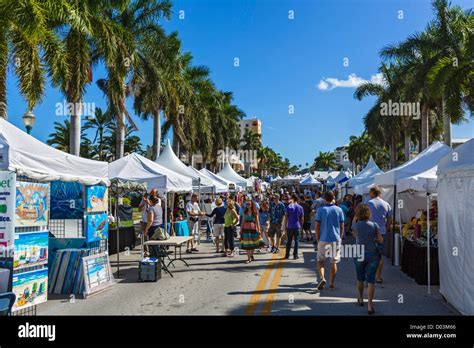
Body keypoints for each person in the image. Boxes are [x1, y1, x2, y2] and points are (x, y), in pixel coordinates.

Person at [352, 204, 383, 315]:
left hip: (359, 252)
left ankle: (360, 298)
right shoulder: (374, 225)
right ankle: (370, 305)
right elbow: (381, 240)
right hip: (372, 253)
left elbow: (355, 234)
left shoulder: (355, 226)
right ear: (368, 214)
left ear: (357, 214)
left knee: (360, 278)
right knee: (371, 280)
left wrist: (356, 216)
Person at [315, 191, 345, 291]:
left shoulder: (320, 210)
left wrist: (317, 238)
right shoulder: (339, 210)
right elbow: (342, 226)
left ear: (324, 199)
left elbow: (317, 226)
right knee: (333, 262)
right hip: (335, 239)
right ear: (333, 198)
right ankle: (331, 284)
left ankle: (322, 278)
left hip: (323, 238)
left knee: (320, 260)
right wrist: (340, 237)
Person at [367, 186, 392, 284]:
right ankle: (378, 276)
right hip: (382, 232)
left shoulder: (368, 203)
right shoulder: (386, 204)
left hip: (370, 232)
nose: (369, 194)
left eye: (370, 192)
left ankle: (370, 276)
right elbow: (389, 218)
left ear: (373, 193)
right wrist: (387, 227)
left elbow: (364, 217)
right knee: (379, 256)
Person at [283, 193, 304, 260]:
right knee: (296, 241)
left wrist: (285, 225)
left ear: (293, 199)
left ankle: (287, 255)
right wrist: (301, 226)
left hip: (290, 226)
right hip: (297, 226)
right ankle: (295, 255)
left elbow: (286, 217)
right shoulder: (300, 207)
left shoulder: (289, 207)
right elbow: (302, 218)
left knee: (289, 241)